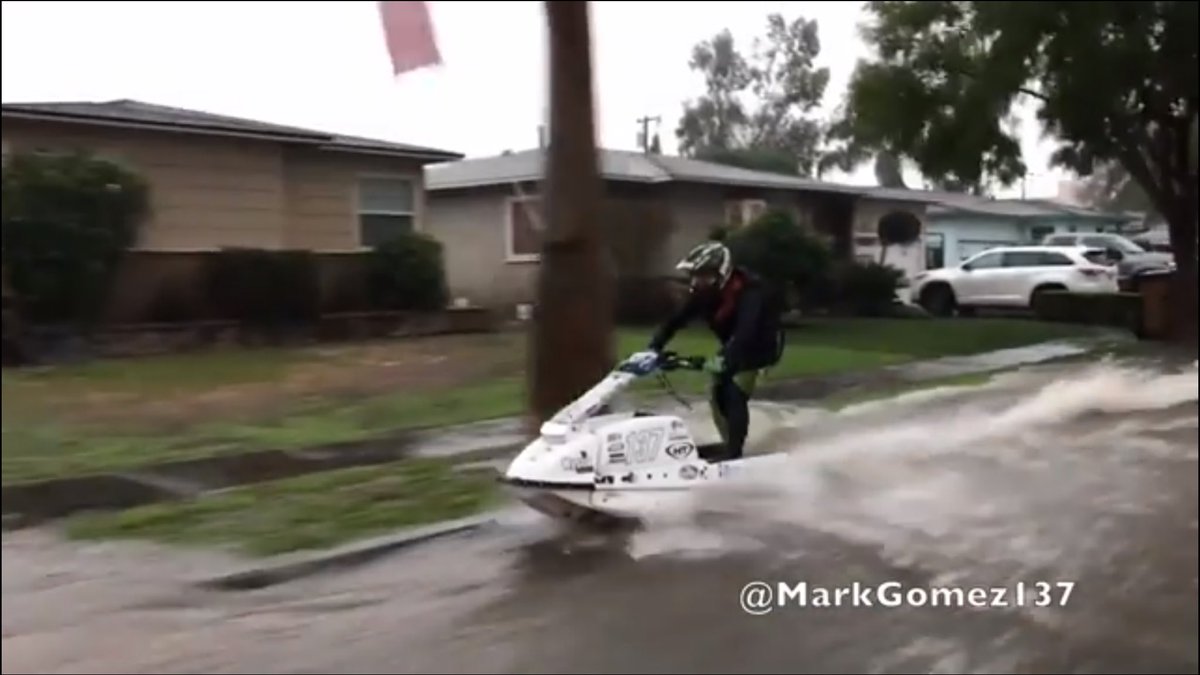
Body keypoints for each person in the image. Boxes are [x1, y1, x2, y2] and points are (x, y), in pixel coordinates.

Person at [647, 240, 784, 461]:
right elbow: (675, 321)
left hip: (761, 346)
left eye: (703, 275)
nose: (697, 281)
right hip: (735, 344)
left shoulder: (750, 292)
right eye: (695, 276)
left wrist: (725, 357)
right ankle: (730, 442)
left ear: (722, 273)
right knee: (717, 392)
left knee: (733, 390)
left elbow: (746, 331)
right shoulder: (704, 294)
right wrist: (654, 347)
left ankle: (734, 455)